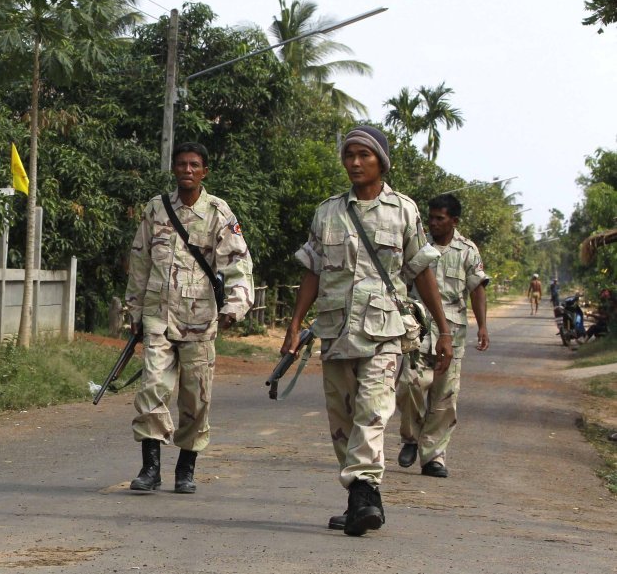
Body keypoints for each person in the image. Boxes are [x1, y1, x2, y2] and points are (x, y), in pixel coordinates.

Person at [280, 126, 453, 537]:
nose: (355, 163)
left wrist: (443, 330)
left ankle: (365, 495)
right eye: (349, 155)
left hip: (384, 332)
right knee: (342, 418)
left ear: (381, 161)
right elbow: (313, 271)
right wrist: (293, 324)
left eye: (364, 155)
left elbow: (421, 271)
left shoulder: (404, 210)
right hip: (335, 330)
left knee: (373, 411)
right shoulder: (327, 212)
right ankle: (359, 496)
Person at [125, 142, 254, 495]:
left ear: (204, 171)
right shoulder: (156, 209)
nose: (187, 170)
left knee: (196, 397)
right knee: (152, 387)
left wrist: (234, 307)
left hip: (199, 320)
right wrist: (134, 309)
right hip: (158, 316)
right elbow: (140, 261)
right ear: (174, 169)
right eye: (181, 164)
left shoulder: (219, 214)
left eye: (194, 165)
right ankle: (150, 467)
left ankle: (186, 467)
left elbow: (238, 265)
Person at [395, 193, 490, 479]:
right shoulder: (418, 246)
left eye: (440, 218)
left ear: (454, 221)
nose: (434, 223)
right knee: (409, 383)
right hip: (418, 325)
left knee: (444, 396)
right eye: (431, 217)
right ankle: (411, 437)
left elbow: (477, 289)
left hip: (453, 330)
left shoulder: (467, 250)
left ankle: (434, 456)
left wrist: (483, 326)